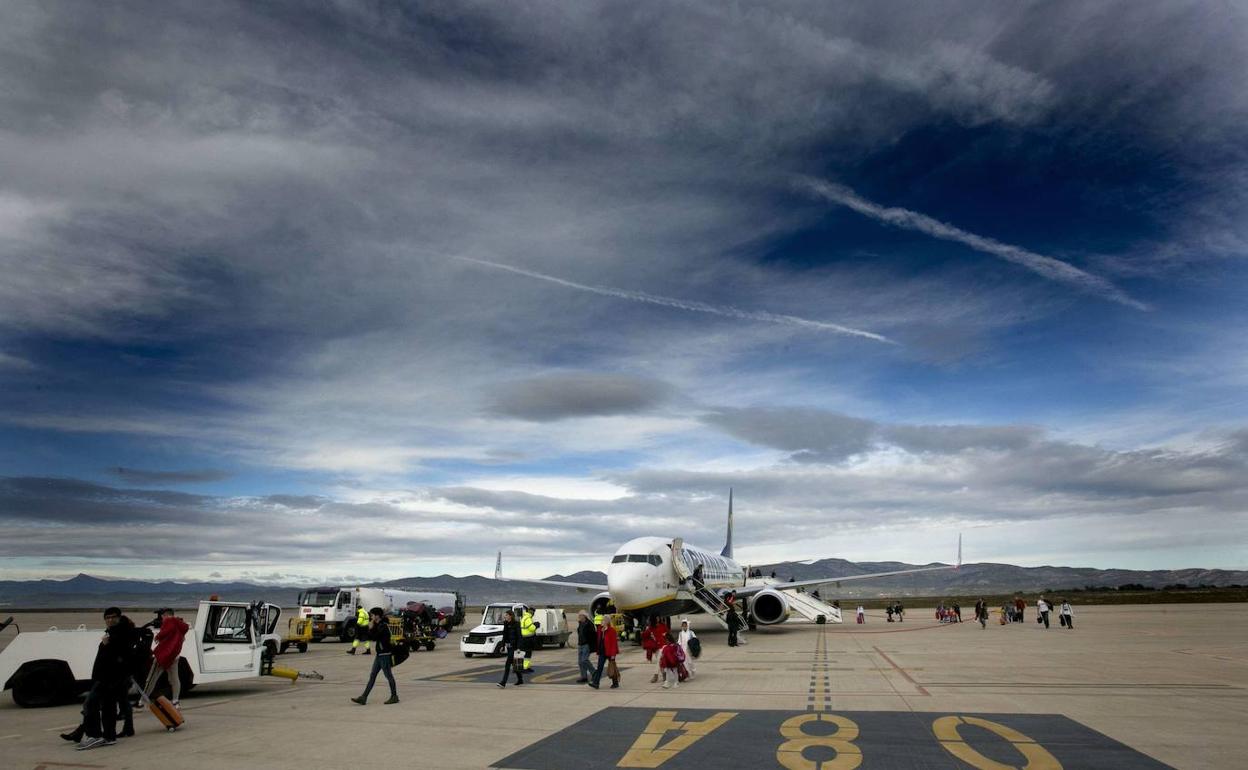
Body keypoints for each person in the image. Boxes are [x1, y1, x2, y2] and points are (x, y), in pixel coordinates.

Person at [73, 608, 137, 750]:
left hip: (109, 677)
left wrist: (106, 645)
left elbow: (120, 655)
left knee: (91, 704)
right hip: (111, 677)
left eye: (113, 617)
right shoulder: (117, 632)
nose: (110, 620)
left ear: (119, 618)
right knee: (109, 707)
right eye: (107, 617)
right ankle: (109, 736)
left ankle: (94, 736)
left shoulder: (120, 634)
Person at [350, 608, 398, 704]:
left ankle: (394, 696)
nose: (371, 617)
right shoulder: (379, 625)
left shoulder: (383, 626)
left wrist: (371, 628)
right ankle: (364, 697)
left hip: (385, 654)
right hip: (379, 655)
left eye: (372, 615)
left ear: (377, 616)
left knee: (388, 676)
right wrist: (372, 627)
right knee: (372, 676)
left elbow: (374, 637)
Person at [143, 608, 188, 709]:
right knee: (174, 679)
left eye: (162, 616)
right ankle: (175, 701)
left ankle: (142, 701)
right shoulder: (180, 624)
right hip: (174, 655)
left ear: (165, 615)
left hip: (164, 655)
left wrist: (158, 636)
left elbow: (166, 631)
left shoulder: (169, 621)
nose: (162, 619)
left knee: (151, 678)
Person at [589, 613, 620, 689]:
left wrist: (613, 655)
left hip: (609, 652)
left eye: (603, 620)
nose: (601, 621)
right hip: (602, 652)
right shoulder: (600, 629)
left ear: (607, 621)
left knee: (612, 667)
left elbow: (613, 643)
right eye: (602, 620)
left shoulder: (612, 631)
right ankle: (596, 683)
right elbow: (599, 641)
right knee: (599, 667)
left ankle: (615, 682)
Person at [497, 609, 523, 687]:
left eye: (506, 615)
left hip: (514, 648)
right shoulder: (505, 623)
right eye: (505, 615)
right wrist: (502, 645)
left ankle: (503, 682)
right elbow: (504, 636)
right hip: (508, 647)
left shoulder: (516, 624)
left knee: (507, 664)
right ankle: (520, 679)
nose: (505, 616)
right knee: (514, 664)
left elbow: (519, 637)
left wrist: (519, 647)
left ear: (511, 616)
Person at [575, 610, 597, 683]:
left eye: (580, 616)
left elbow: (593, 635)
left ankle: (594, 672)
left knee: (584, 660)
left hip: (586, 645)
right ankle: (583, 677)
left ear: (584, 616)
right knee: (580, 662)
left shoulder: (589, 624)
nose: (579, 617)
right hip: (580, 644)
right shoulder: (580, 623)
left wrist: (591, 644)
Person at [519, 605, 539, 673]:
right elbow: (532, 628)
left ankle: (527, 666)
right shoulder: (528, 618)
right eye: (533, 613)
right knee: (527, 654)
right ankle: (525, 668)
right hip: (527, 639)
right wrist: (536, 625)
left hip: (525, 638)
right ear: (532, 612)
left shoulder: (524, 617)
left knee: (527, 654)